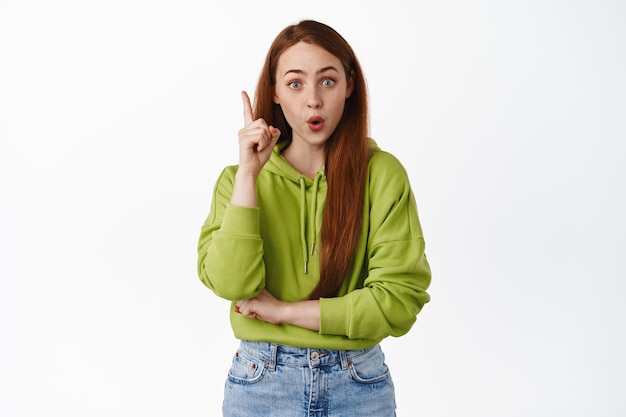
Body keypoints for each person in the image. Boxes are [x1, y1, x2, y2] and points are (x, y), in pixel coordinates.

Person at [197, 19, 431, 417]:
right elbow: (231, 283)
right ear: (274, 91)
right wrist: (249, 175)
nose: (313, 101)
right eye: (295, 83)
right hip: (261, 383)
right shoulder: (237, 182)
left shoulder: (383, 174)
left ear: (349, 85)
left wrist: (283, 312)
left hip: (358, 384)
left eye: (327, 81)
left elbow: (396, 302)